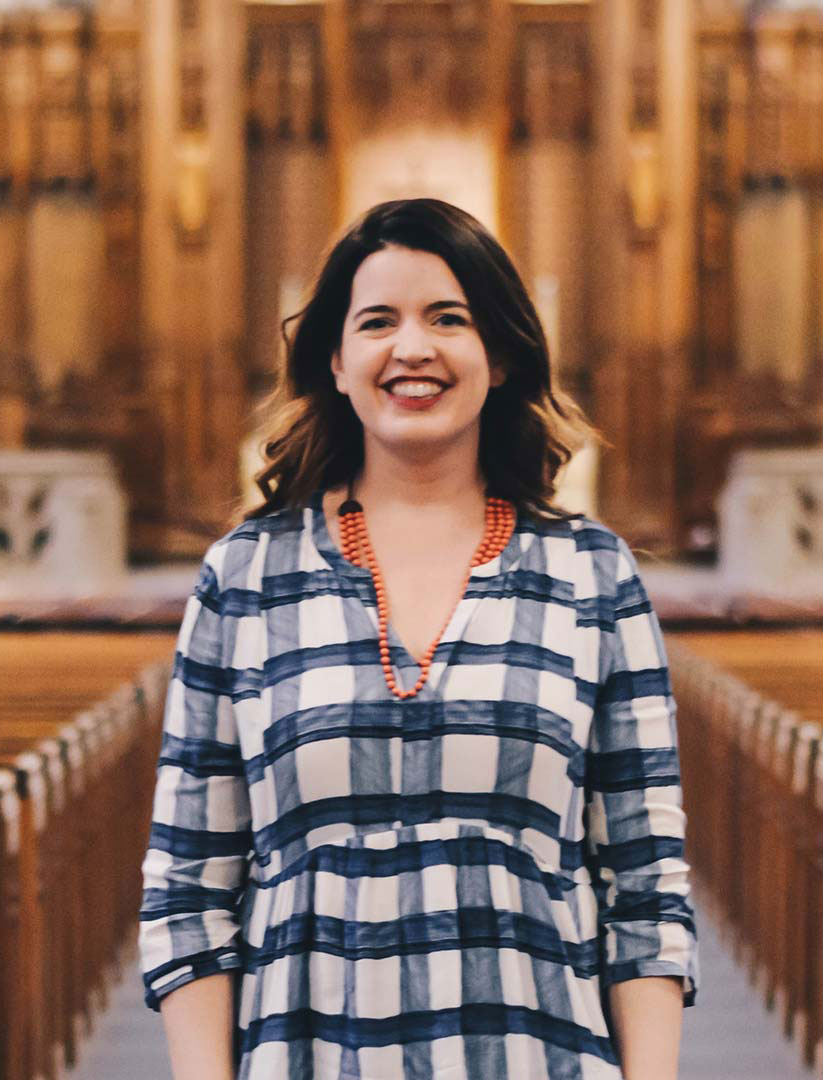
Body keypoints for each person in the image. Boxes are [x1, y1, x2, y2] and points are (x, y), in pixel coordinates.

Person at [139, 197, 698, 1080]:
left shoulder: (593, 573)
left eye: (449, 318)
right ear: (335, 356)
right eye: (377, 322)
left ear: (503, 353)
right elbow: (187, 890)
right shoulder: (244, 574)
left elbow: (645, 886)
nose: (412, 349)